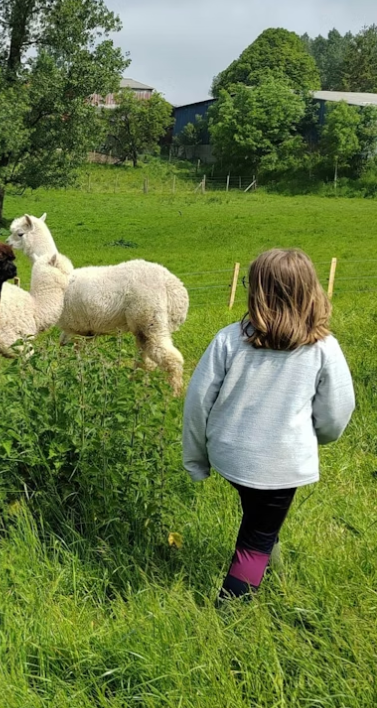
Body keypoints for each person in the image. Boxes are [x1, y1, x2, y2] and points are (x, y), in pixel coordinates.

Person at [183, 248, 355, 599]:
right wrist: (316, 437)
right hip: (279, 464)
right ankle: (230, 614)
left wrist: (197, 459)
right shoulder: (323, 347)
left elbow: (198, 403)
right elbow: (337, 412)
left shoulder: (229, 340)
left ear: (257, 292)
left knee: (259, 517)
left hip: (231, 457)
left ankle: (276, 571)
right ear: (310, 291)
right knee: (255, 541)